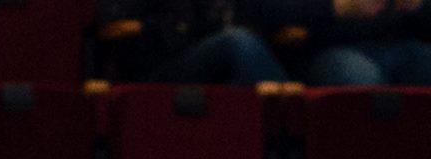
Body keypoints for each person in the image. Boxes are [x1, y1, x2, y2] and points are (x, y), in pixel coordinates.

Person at [237, 0, 431, 90]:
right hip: (328, 48)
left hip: (406, 47)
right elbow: (265, 11)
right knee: (359, 80)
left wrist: (419, 5)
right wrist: (337, 8)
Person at [96, 2, 287, 84]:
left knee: (244, 48)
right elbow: (114, 19)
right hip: (157, 62)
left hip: (201, 53)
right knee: (238, 41)